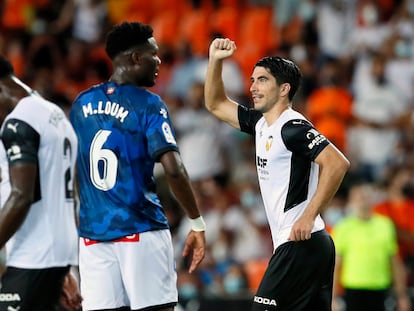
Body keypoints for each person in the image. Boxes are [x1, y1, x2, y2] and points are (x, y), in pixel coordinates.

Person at [69, 21, 206, 311]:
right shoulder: (148, 104)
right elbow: (173, 168)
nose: (159, 61)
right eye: (153, 55)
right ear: (134, 58)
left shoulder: (81, 104)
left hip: (93, 235)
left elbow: (72, 171)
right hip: (139, 227)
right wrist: (195, 220)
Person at [204, 38, 350, 310]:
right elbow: (215, 104)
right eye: (252, 80)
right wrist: (215, 61)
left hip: (300, 242)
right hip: (309, 245)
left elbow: (337, 163)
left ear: (284, 89)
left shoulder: (292, 127)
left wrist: (308, 215)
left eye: (262, 80)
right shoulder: (261, 124)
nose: (253, 87)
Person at [0, 56, 82, 311]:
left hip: (33, 257)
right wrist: (65, 268)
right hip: (57, 255)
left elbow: (21, 195)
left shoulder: (18, 123)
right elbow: (68, 196)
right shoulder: (53, 113)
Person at [332, 182, 411, 311]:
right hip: (353, 288)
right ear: (352, 200)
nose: (363, 199)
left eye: (366, 196)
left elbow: (395, 262)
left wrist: (402, 296)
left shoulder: (385, 225)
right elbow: (337, 264)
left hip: (379, 287)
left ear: (373, 198)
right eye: (359, 196)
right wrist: (333, 297)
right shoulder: (343, 227)